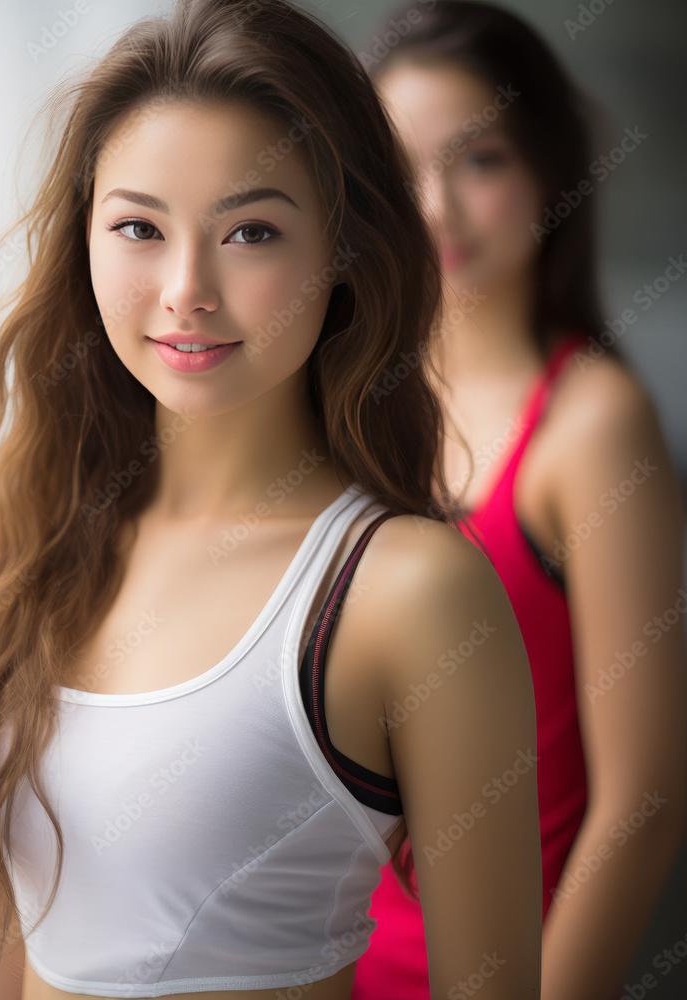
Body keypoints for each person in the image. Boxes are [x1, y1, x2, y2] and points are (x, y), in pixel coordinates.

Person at [0, 1, 545, 997]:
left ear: (344, 254)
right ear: (84, 241)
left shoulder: (407, 592)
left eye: (250, 231)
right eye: (140, 226)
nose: (187, 287)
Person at [346, 3, 687, 999]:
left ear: (547, 172)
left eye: (479, 161)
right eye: (400, 168)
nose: (437, 208)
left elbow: (644, 800)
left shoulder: (591, 427)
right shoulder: (346, 398)